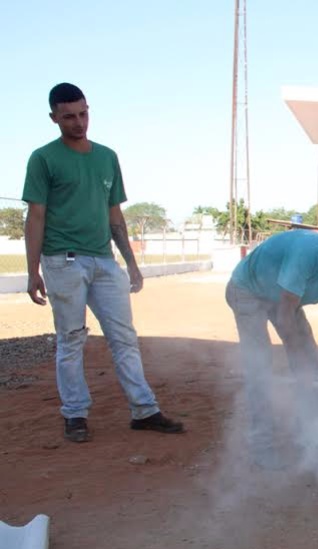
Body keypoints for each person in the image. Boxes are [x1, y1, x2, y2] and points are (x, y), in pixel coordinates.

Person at [22, 83, 185, 443]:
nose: (79, 122)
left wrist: (131, 262)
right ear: (54, 118)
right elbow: (35, 216)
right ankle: (75, 414)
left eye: (83, 113)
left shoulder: (107, 157)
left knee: (124, 337)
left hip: (104, 262)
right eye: (69, 117)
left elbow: (115, 215)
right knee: (71, 339)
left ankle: (144, 410)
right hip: (63, 261)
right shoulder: (43, 159)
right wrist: (33, 271)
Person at [225, 227, 318, 468]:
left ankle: (312, 437)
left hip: (283, 298)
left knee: (309, 362)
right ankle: (261, 446)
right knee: (260, 365)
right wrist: (298, 359)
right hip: (247, 290)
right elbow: (285, 317)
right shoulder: (307, 256)